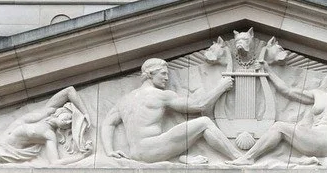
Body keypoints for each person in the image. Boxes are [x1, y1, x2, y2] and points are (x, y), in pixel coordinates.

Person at [228, 63, 327, 166]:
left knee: (279, 127)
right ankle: (301, 160)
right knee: (280, 144)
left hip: (326, 141)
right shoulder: (318, 94)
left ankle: (248, 158)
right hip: (311, 136)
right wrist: (269, 71)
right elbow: (288, 91)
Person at [101, 57, 239, 163]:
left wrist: (109, 151)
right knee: (204, 122)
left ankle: (184, 158)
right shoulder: (161, 95)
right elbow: (199, 105)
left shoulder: (124, 99)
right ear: (150, 74)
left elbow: (108, 123)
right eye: (163, 74)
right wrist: (222, 86)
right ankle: (239, 158)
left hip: (135, 153)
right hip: (152, 149)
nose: (166, 78)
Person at [0, 86, 92, 164]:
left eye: (70, 124)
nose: (68, 121)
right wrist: (85, 112)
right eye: (69, 117)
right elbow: (69, 91)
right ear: (61, 111)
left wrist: (81, 156)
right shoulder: (46, 111)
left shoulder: (49, 135)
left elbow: (55, 163)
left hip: (3, 154)